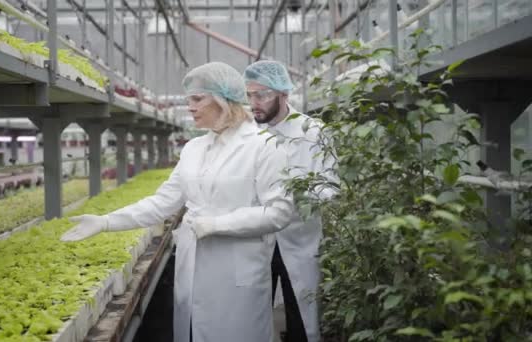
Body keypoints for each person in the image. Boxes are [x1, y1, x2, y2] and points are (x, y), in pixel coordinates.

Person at [61, 62, 294, 342]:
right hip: (192, 267)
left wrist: (217, 224)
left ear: (223, 99)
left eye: (197, 99)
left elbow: (280, 213)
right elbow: (162, 202)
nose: (190, 107)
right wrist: (106, 221)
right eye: (187, 100)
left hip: (236, 275)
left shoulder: (264, 145)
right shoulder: (194, 148)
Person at [244, 60, 337, 342]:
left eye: (262, 95)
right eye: (249, 95)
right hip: (256, 239)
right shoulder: (248, 134)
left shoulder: (314, 132)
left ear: (284, 94)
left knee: (300, 315)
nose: (254, 102)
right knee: (251, 317)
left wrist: (290, 197)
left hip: (299, 239)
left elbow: (331, 188)